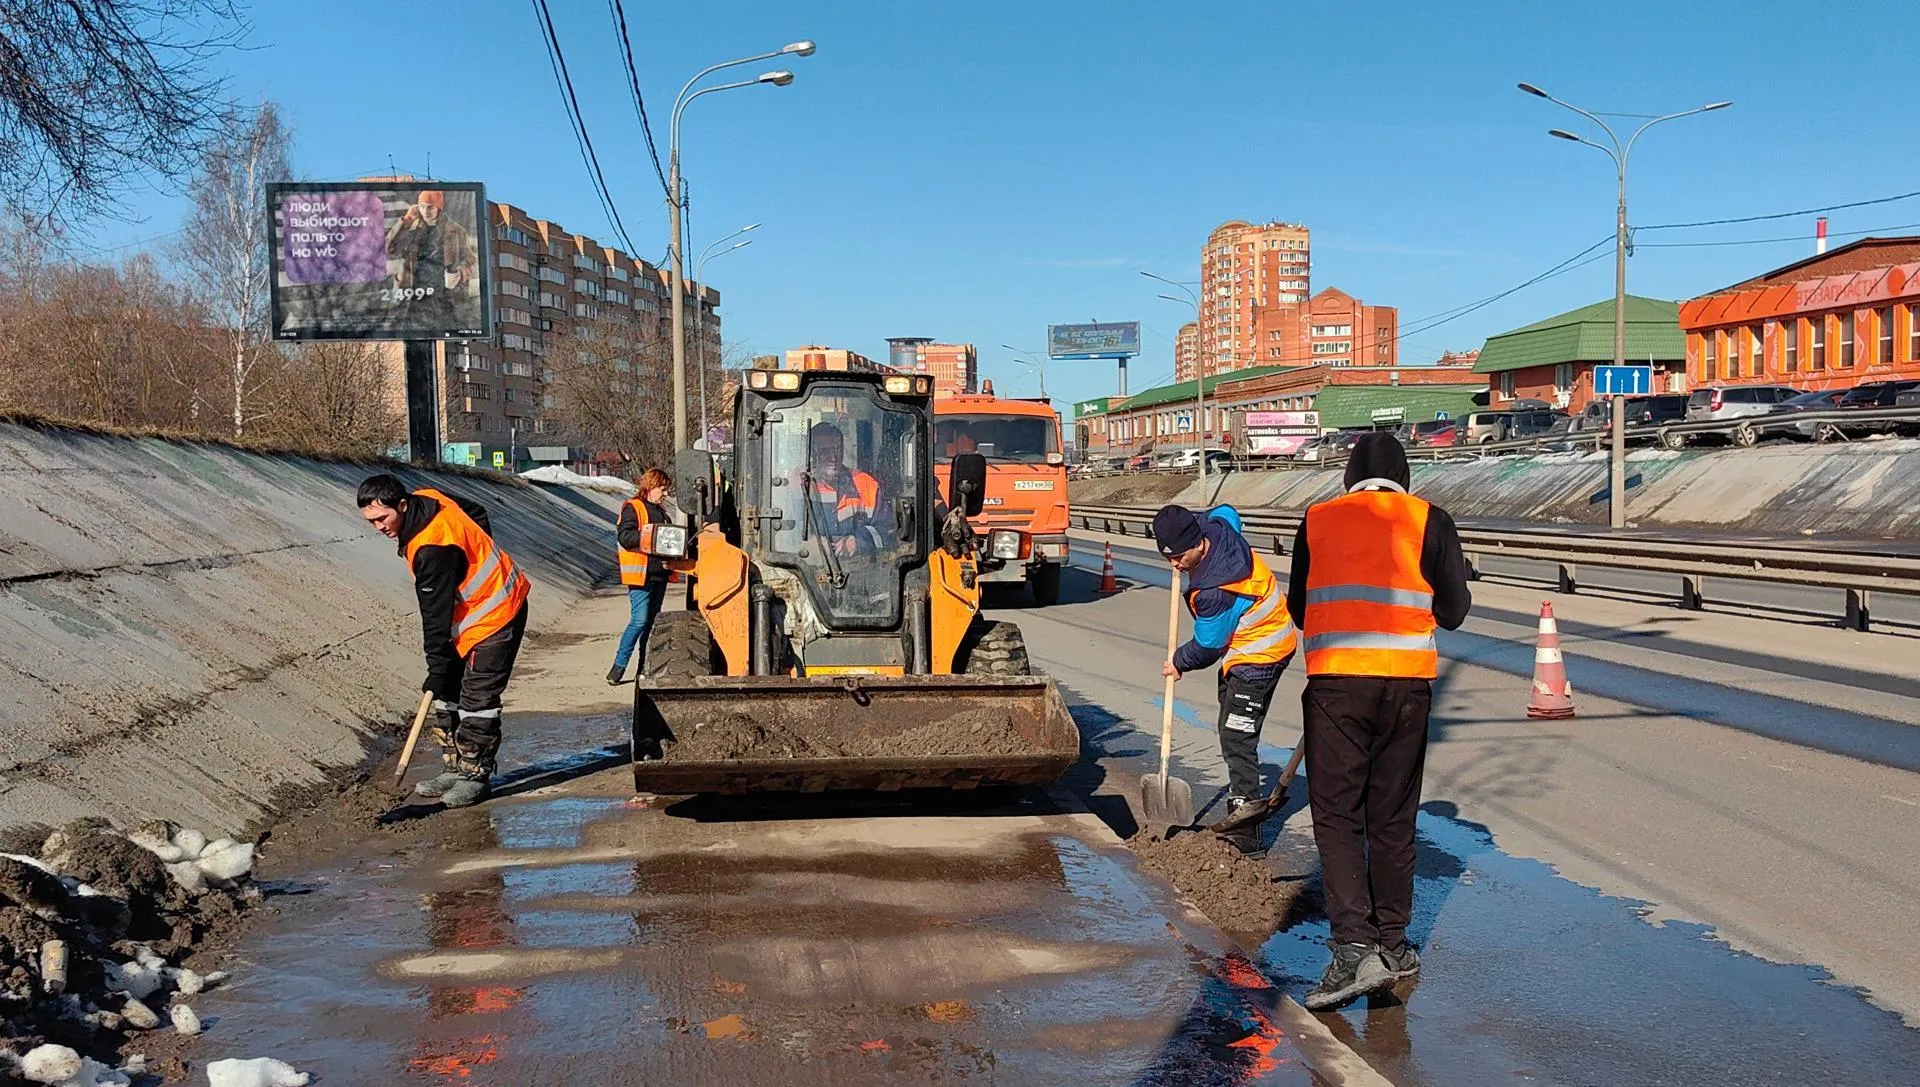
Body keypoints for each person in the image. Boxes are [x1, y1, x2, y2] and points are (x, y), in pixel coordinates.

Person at [1286, 432, 1471, 1011]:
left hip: (1338, 685)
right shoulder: (1428, 519)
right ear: (1405, 476)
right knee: (1392, 817)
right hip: (1407, 690)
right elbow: (1454, 611)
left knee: (1339, 818)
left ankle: (1352, 950)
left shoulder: (1318, 520)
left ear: (1348, 476)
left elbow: (1299, 606)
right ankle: (1393, 944)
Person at [357, 474, 531, 808]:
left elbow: (434, 620)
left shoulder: (433, 549)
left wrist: (436, 666)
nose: (378, 527)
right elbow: (477, 511)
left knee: (477, 699)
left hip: (497, 612)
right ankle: (454, 767)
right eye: (371, 521)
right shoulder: (428, 496)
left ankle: (475, 774)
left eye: (383, 518)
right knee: (447, 693)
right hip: (468, 618)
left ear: (403, 505)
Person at [1153, 501, 1299, 853]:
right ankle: (1243, 805)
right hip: (1251, 647)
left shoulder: (1217, 590)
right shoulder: (1218, 527)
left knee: (1236, 734)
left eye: (1179, 558)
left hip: (1261, 655)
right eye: (1167, 557)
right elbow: (1227, 510)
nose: (1174, 565)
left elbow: (1208, 645)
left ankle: (1246, 833)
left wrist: (1178, 662)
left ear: (1196, 544)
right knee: (1231, 719)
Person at [608, 468, 672, 685]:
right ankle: (618, 668)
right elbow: (625, 537)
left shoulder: (663, 512)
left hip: (658, 575)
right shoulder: (633, 508)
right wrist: (652, 537)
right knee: (639, 621)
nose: (665, 494)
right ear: (650, 486)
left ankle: (644, 669)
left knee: (652, 624)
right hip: (640, 577)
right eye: (662, 489)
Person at [384, 189, 477, 329]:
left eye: (430, 207)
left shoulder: (456, 231)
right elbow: (391, 249)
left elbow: (469, 259)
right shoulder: (411, 228)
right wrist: (407, 220)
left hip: (441, 294)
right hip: (411, 292)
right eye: (422, 206)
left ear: (438, 208)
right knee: (400, 328)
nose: (425, 211)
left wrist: (459, 272)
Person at [799, 421, 883, 557]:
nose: (833, 457)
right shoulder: (795, 486)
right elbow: (777, 535)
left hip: (861, 571)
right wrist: (807, 542)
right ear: (811, 454)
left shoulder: (866, 484)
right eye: (824, 451)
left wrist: (859, 541)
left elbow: (889, 530)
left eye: (837, 449)